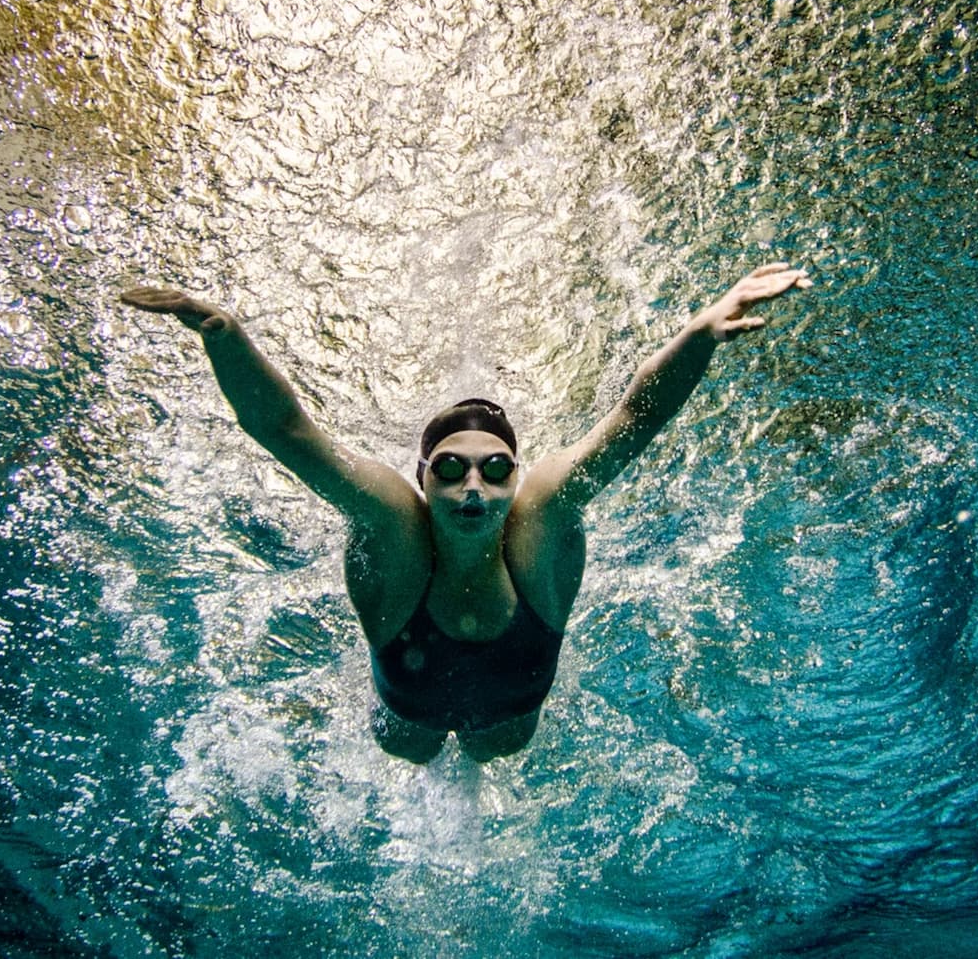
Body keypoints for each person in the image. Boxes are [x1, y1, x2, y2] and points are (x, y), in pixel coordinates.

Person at [119, 262, 810, 762]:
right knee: (411, 756)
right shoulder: (394, 524)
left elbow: (637, 415)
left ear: (515, 478)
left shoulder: (541, 519)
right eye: (450, 469)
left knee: (492, 756)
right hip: (406, 718)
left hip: (508, 723)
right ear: (423, 478)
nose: (472, 486)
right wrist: (222, 332)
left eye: (494, 468)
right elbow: (289, 432)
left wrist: (701, 329)